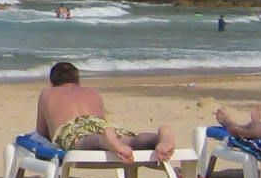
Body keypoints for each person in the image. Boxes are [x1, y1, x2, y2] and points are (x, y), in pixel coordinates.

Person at [35, 61, 173, 162]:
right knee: (130, 140)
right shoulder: (92, 92)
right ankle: (158, 137)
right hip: (101, 126)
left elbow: (42, 133)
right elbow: (101, 122)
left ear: (52, 81)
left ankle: (104, 140)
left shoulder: (48, 93)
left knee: (85, 141)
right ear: (77, 80)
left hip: (72, 129)